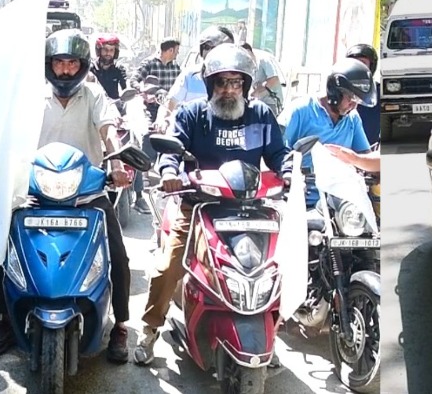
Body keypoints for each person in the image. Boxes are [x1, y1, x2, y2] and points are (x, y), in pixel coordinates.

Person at [0, 29, 138, 363]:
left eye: (71, 63)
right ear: (48, 65)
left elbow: (108, 130)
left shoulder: (94, 95)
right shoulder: (30, 97)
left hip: (86, 191)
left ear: (82, 65)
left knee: (118, 255)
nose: (65, 70)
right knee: (6, 251)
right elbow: (9, 135)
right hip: (37, 191)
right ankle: (6, 320)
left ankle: (121, 326)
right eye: (58, 63)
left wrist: (117, 162)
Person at [136, 43, 292, 365]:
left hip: (249, 209)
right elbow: (172, 150)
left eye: (236, 83)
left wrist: (288, 170)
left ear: (246, 86)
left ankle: (270, 331)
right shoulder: (193, 114)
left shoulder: (261, 114)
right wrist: (169, 173)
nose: (229, 90)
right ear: (210, 85)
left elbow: (278, 153)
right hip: (197, 206)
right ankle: (150, 329)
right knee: (168, 267)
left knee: (283, 266)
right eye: (222, 82)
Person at [282, 58, 382, 209]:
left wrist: (372, 171)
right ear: (335, 92)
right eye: (351, 98)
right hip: (303, 202)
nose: (353, 105)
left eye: (357, 101)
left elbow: (365, 157)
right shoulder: (300, 111)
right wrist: (291, 174)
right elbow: (276, 151)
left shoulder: (353, 118)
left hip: (342, 205)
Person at [164, 26, 234, 114]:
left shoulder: (236, 78)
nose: (211, 52)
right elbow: (171, 102)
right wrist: (163, 120)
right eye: (206, 47)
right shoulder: (190, 75)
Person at [342, 44, 381, 142]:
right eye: (354, 62)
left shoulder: (378, 92)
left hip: (368, 150)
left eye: (362, 62)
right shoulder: (338, 88)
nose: (357, 66)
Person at [91, 33, 128, 99]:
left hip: (114, 106)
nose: (108, 53)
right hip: (95, 105)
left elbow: (126, 87)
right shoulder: (91, 69)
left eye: (111, 50)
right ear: (99, 51)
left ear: (115, 52)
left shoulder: (118, 68)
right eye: (105, 49)